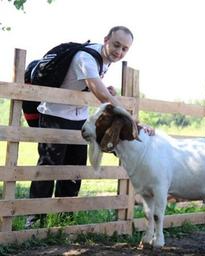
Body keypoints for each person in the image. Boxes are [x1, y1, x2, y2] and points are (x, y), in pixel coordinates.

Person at [25, 26, 135, 228]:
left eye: (125, 49)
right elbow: (100, 94)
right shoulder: (85, 57)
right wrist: (126, 114)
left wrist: (105, 87)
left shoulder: (104, 61)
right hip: (54, 114)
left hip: (79, 118)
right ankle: (34, 220)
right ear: (106, 40)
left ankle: (64, 219)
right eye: (116, 45)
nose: (119, 52)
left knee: (75, 169)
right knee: (49, 167)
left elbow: (90, 84)